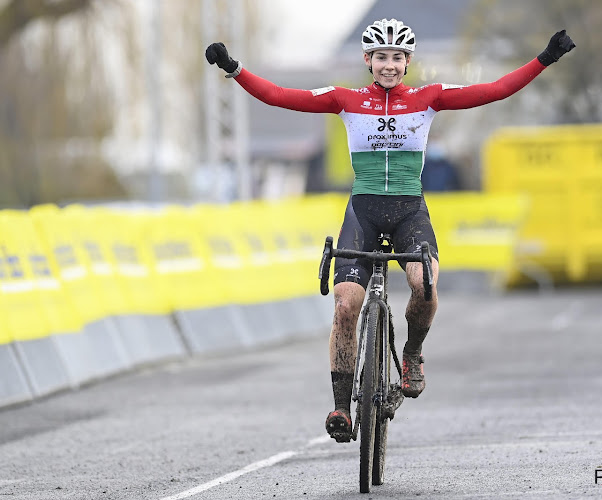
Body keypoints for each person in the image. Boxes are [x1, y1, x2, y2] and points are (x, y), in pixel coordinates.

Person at [206, 19, 575, 443]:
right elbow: (280, 96)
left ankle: (412, 354)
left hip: (408, 212)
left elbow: (494, 90)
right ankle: (342, 408)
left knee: (425, 283)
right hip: (363, 212)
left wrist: (545, 58)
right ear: (368, 60)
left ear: (407, 61)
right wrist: (234, 69)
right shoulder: (345, 99)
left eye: (397, 57)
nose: (389, 65)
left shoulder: (428, 98)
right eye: (381, 57)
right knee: (346, 304)